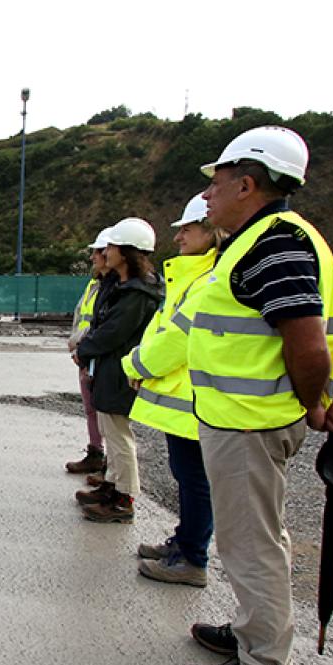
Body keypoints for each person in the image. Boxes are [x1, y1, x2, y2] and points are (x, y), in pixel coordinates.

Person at [180, 126, 333, 665]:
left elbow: (306, 343)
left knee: (250, 544)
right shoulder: (265, 239)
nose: (207, 197)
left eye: (216, 184)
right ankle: (253, 630)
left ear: (248, 183)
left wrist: (315, 403)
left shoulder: (274, 245)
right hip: (246, 419)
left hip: (251, 424)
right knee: (259, 538)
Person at [121, 195, 222, 588]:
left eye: (187, 228)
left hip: (196, 398)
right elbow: (162, 328)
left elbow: (178, 337)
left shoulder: (208, 278)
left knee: (196, 479)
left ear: (210, 231)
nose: (178, 236)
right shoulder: (192, 275)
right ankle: (183, 543)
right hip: (186, 398)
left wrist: (137, 365)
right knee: (186, 475)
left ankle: (192, 558)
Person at [74, 217, 163, 523]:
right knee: (112, 433)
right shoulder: (122, 287)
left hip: (119, 371)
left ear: (126, 252)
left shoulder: (137, 294)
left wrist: (85, 349)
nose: (105, 252)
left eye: (111, 246)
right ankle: (112, 486)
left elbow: (113, 331)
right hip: (109, 368)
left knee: (119, 435)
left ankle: (123, 499)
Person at [64, 228, 114, 475]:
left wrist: (81, 345)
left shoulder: (113, 288)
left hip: (95, 354)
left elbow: (101, 324)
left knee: (105, 413)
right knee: (91, 409)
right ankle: (96, 453)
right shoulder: (95, 284)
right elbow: (82, 317)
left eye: (97, 252)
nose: (93, 257)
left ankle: (108, 466)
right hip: (86, 354)